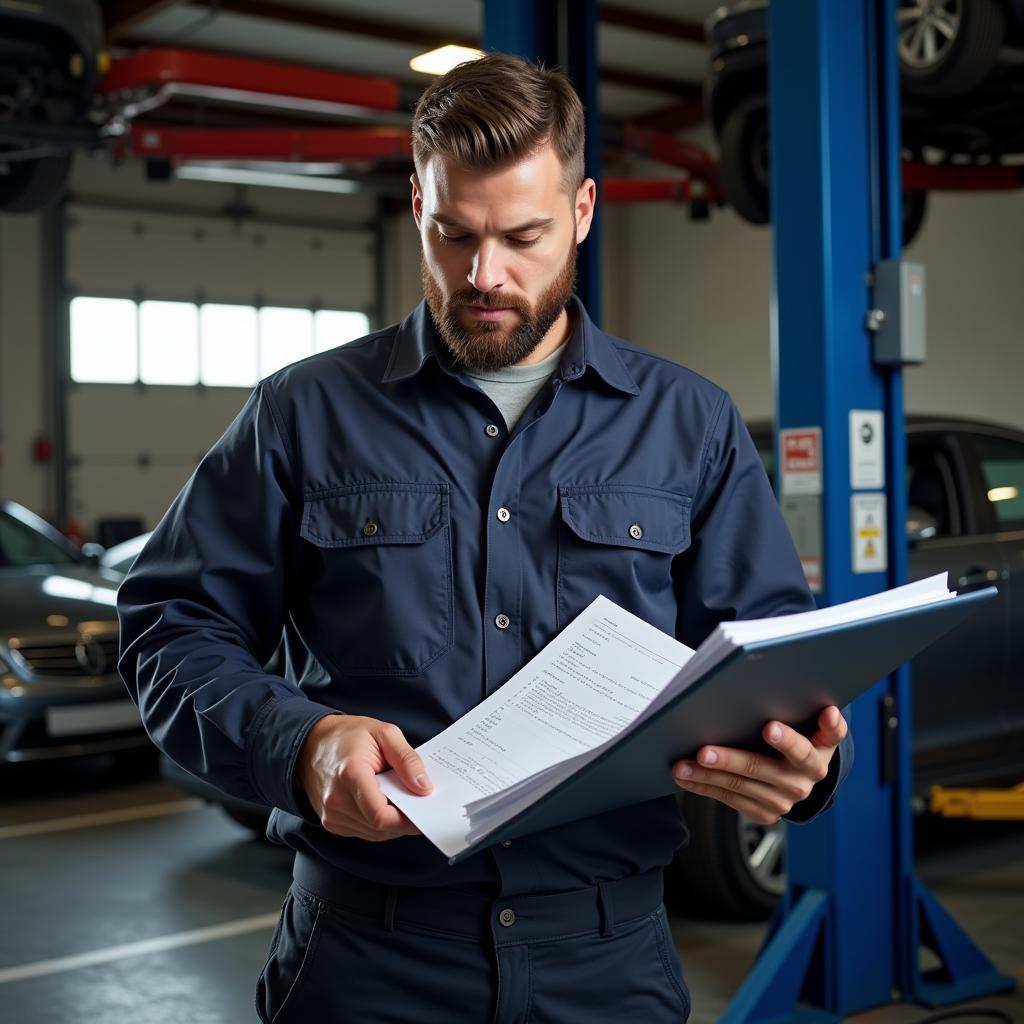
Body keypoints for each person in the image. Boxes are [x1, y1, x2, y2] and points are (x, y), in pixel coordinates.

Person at [118, 52, 852, 1024]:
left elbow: (764, 655)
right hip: (367, 957)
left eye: (523, 237)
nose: (483, 275)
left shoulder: (690, 424)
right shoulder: (304, 415)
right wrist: (301, 745)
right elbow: (170, 627)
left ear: (584, 211)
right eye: (452, 233)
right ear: (415, 203)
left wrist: (802, 761)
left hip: (608, 958)